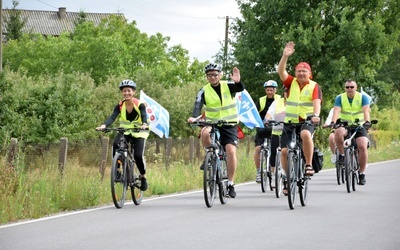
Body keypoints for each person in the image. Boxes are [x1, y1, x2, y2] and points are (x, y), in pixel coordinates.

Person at [187, 63, 244, 198]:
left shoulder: (228, 85)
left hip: (229, 124)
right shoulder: (203, 90)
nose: (212, 77)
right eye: (209, 75)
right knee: (205, 133)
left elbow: (240, 88)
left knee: (230, 151)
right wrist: (194, 117)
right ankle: (209, 154)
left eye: (215, 74)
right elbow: (197, 105)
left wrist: (238, 82)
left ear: (220, 75)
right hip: (212, 123)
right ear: (207, 77)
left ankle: (230, 183)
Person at [277, 41, 322, 194]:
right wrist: (285, 56)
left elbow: (317, 103)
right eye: (299, 71)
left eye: (304, 71)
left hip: (307, 121)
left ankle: (308, 165)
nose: (301, 74)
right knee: (284, 151)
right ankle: (287, 178)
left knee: (305, 134)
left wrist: (315, 115)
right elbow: (281, 71)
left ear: (310, 74)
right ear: (295, 73)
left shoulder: (314, 86)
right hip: (290, 122)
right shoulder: (291, 83)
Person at [96, 79, 150, 191]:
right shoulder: (120, 105)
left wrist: (144, 124)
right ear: (122, 92)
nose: (126, 93)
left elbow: (144, 115)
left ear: (133, 92)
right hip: (125, 131)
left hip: (139, 131)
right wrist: (104, 125)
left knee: (138, 156)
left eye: (129, 91)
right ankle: (117, 171)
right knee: (116, 145)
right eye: (124, 91)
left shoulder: (139, 105)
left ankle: (143, 177)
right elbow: (112, 117)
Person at [331, 79, 371, 185]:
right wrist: (333, 122)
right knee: (337, 133)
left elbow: (366, 110)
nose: (349, 89)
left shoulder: (363, 97)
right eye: (347, 87)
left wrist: (367, 122)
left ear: (356, 88)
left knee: (362, 146)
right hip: (345, 124)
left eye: (352, 87)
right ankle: (343, 155)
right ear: (345, 88)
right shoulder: (340, 97)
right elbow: (336, 110)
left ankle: (362, 173)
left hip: (359, 125)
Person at [254, 80, 281, 183]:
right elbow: (255, 113)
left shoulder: (279, 99)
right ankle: (258, 173)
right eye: (267, 90)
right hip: (263, 126)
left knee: (278, 148)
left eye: (271, 90)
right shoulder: (261, 100)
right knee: (257, 149)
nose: (269, 92)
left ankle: (277, 168)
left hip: (276, 126)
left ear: (275, 90)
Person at [264, 87, 288, 187]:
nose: (288, 93)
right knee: (273, 152)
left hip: (289, 131)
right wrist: (267, 119)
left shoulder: (296, 102)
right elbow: (270, 112)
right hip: (277, 131)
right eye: (286, 91)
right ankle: (274, 175)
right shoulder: (277, 102)